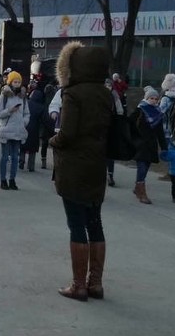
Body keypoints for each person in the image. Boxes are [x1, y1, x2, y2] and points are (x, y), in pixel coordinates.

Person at [49, 41, 112, 302]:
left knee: (76, 223)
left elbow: (68, 133)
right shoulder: (106, 93)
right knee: (94, 222)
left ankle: (78, 285)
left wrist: (53, 141)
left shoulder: (73, 94)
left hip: (74, 166)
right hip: (97, 164)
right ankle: (95, 282)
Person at [128, 87, 168, 204]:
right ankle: (141, 192)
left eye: (156, 99)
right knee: (142, 166)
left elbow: (160, 133)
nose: (154, 100)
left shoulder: (158, 113)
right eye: (151, 98)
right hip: (139, 143)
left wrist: (164, 147)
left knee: (146, 166)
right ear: (146, 98)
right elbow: (129, 124)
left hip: (151, 144)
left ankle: (137, 187)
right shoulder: (140, 110)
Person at [0, 71, 29, 190]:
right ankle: (3, 180)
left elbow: (27, 113)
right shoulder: (4, 95)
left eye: (19, 82)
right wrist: (9, 110)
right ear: (10, 82)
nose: (17, 84)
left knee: (15, 157)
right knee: (4, 157)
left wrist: (23, 122)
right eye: (15, 81)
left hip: (18, 130)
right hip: (6, 129)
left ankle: (12, 180)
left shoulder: (23, 97)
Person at [104, 78, 125, 187]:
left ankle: (110, 175)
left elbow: (119, 109)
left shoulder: (114, 95)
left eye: (109, 85)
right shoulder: (100, 95)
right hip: (101, 126)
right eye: (106, 85)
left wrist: (119, 121)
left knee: (110, 152)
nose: (108, 87)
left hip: (111, 125)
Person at [19, 85, 45, 172]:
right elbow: (43, 120)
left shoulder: (26, 103)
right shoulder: (41, 107)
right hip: (35, 129)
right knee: (32, 149)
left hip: (25, 126)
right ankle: (31, 166)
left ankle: (21, 161)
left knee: (23, 145)